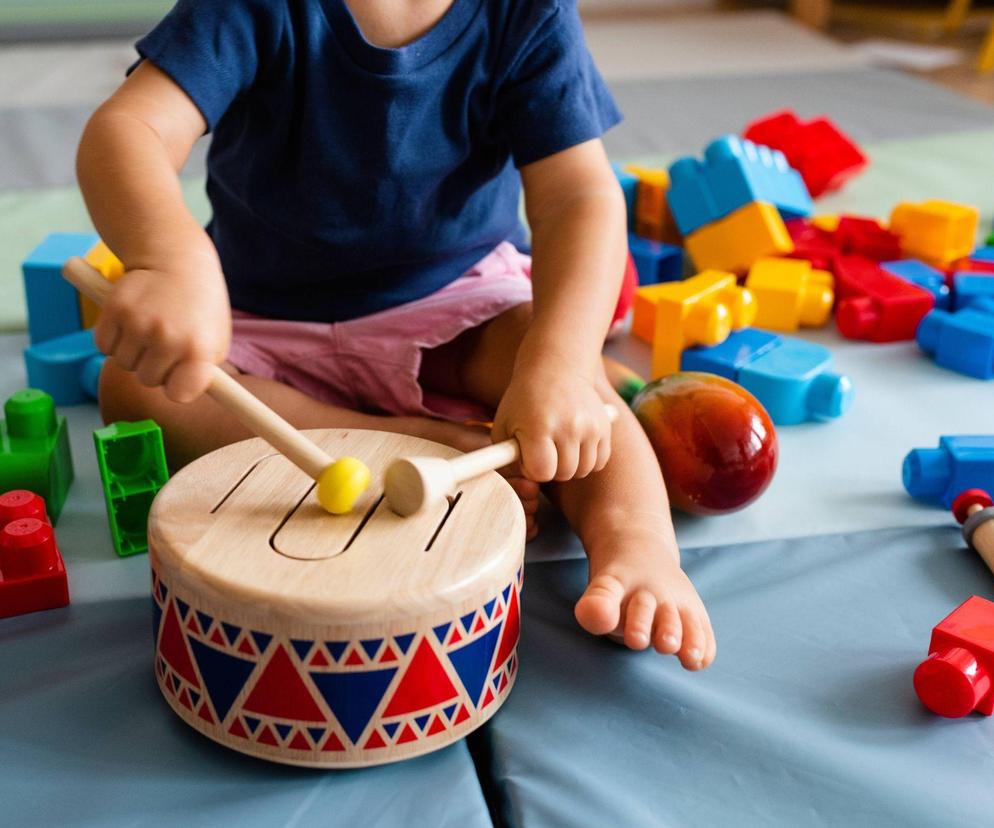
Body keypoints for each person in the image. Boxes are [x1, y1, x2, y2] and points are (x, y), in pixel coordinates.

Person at [76, 0, 715, 669]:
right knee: (135, 386)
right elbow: (131, 128)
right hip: (261, 315)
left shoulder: (526, 11)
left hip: (454, 302)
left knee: (567, 375)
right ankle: (415, 439)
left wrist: (558, 364)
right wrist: (170, 261)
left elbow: (577, 196)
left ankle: (636, 546)